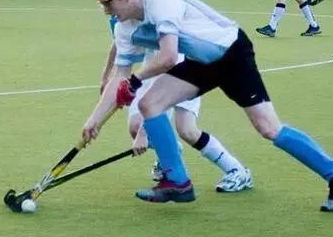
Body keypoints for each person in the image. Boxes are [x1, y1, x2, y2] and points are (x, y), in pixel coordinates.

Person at [82, 0, 333, 211]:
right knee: (149, 104)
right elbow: (119, 76)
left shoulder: (160, 1)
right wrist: (94, 121)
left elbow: (167, 57)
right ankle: (177, 181)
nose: (106, 11)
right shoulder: (124, 28)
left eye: (108, 4)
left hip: (232, 52)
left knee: (269, 128)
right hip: (201, 62)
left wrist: (135, 80)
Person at [99, 42, 253, 193]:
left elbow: (161, 99)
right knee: (134, 126)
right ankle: (171, 151)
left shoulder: (166, 31)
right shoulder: (126, 24)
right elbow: (118, 42)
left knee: (187, 130)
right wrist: (105, 77)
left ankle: (237, 171)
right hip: (151, 71)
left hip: (185, 72)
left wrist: (143, 134)